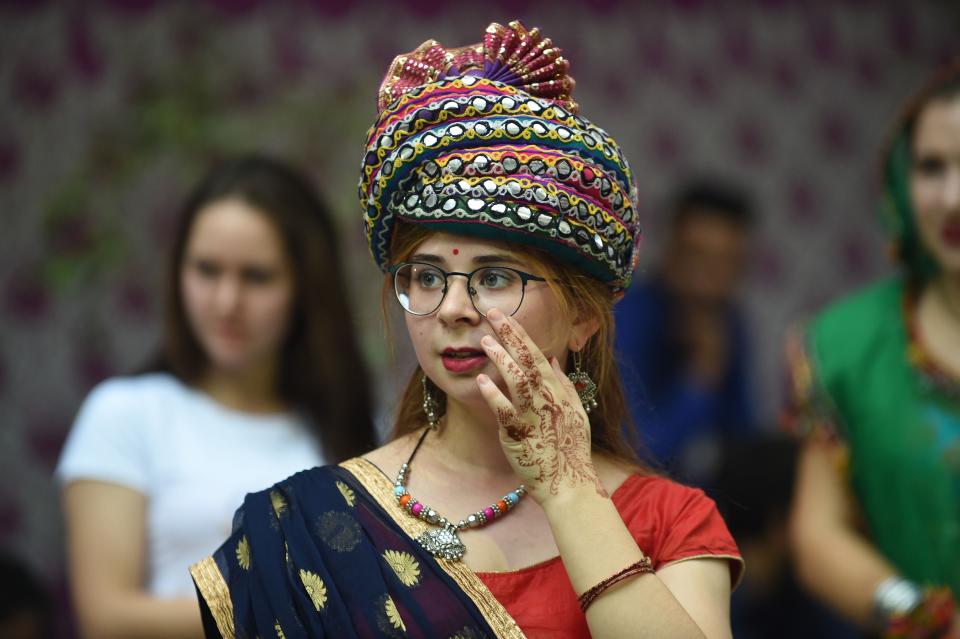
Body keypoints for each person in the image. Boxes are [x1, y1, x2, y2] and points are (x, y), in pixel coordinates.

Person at [191, 21, 742, 638]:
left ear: (584, 317)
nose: (452, 307)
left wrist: (568, 491)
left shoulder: (670, 521)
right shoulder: (312, 524)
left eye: (496, 277)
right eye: (427, 277)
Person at [56, 156, 376, 638]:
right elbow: (108, 618)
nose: (227, 302)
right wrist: (293, 606)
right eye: (207, 270)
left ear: (306, 289)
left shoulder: (358, 427)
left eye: (257, 276)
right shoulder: (126, 413)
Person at [786, 60, 960, 638]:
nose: (953, 197)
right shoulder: (846, 346)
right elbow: (819, 534)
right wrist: (922, 615)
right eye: (933, 167)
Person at [614, 181, 755, 477]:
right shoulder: (624, 317)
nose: (708, 280)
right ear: (670, 250)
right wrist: (700, 379)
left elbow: (745, 447)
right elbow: (634, 454)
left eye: (727, 263)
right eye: (697, 257)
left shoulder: (729, 323)